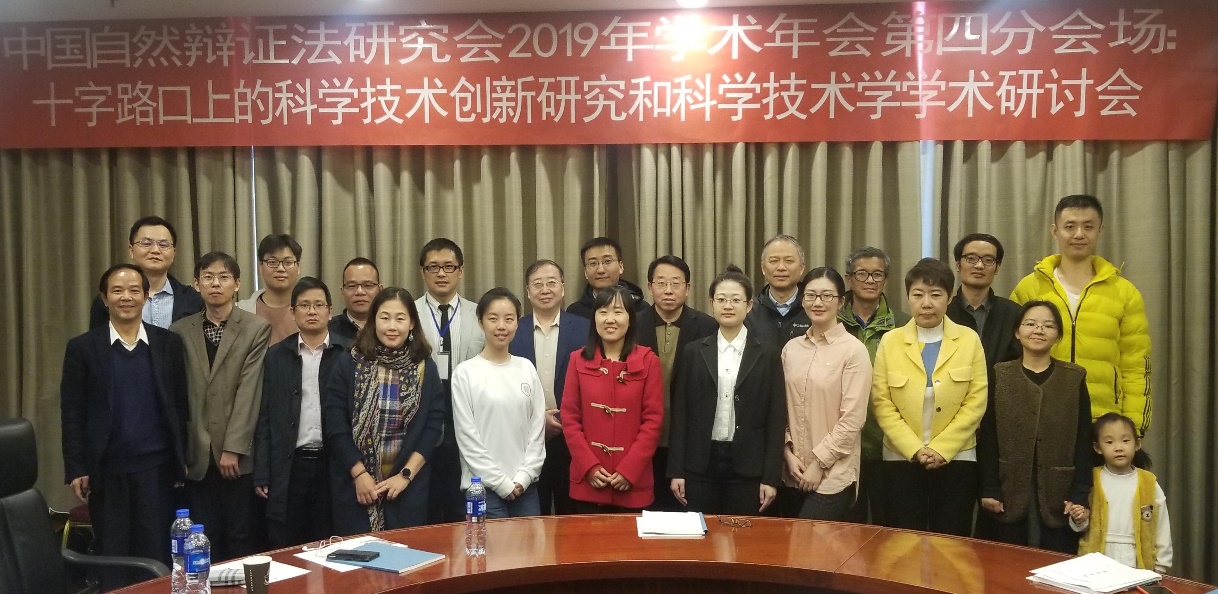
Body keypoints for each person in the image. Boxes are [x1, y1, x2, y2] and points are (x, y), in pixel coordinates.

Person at [62, 264, 189, 589]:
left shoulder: (168, 343)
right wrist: (76, 467)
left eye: (134, 290)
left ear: (146, 296)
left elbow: (180, 406)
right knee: (113, 557)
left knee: (156, 558)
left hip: (157, 471)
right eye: (117, 291)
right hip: (108, 473)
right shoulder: (83, 348)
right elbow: (72, 411)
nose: (126, 297)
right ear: (105, 298)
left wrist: (182, 460)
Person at [1011, 195, 1152, 436]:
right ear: (1055, 231)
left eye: (1088, 226)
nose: (1079, 234)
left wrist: (1133, 426)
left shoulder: (1124, 292)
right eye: (1070, 226)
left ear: (1100, 231)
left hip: (1104, 422)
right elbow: (1012, 357)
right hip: (1040, 417)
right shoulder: (1030, 287)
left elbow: (1136, 365)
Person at [871, 258, 987, 537]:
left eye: (935, 295)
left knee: (951, 541)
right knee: (902, 541)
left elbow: (976, 401)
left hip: (957, 456)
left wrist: (941, 449)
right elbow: (881, 402)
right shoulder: (891, 341)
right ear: (908, 298)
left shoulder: (969, 339)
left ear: (949, 298)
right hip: (900, 456)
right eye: (918, 295)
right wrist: (914, 448)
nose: (926, 303)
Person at [171, 252, 272, 562]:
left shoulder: (256, 327)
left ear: (237, 284)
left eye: (224, 277)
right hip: (197, 453)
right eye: (208, 277)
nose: (216, 284)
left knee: (241, 535)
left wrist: (234, 447)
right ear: (196, 284)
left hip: (237, 456)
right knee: (202, 536)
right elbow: (179, 394)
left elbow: (249, 390)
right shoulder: (180, 330)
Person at [324, 288, 446, 534]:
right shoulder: (349, 362)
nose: (392, 326)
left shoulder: (426, 367)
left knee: (406, 554)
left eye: (400, 319)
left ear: (411, 323)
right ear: (373, 320)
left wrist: (406, 475)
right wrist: (359, 474)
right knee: (358, 556)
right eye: (384, 317)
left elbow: (433, 427)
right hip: (356, 486)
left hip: (407, 487)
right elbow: (335, 425)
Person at [976, 300, 1092, 553]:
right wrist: (989, 487)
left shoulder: (1074, 377)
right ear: (1017, 332)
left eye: (1048, 325)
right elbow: (987, 436)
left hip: (1058, 494)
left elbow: (1083, 440)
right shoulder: (999, 374)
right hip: (1008, 490)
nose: (1039, 330)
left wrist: (1080, 493)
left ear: (1058, 335)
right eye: (1030, 324)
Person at [668, 265, 785, 516]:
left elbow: (776, 418)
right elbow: (680, 413)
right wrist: (676, 470)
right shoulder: (693, 351)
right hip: (700, 462)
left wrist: (771, 477)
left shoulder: (768, 354)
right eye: (721, 299)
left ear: (749, 305)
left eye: (735, 300)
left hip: (748, 464)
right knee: (701, 533)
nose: (728, 306)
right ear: (711, 303)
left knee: (743, 534)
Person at [253, 277, 347, 548]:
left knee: (329, 543)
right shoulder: (276, 356)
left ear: (330, 311)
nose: (312, 311)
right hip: (290, 465)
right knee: (287, 544)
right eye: (304, 305)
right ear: (292, 312)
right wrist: (262, 471)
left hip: (333, 465)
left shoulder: (347, 353)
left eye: (319, 305)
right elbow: (265, 417)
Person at [781, 267, 872, 520]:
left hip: (833, 474)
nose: (818, 302)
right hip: (792, 472)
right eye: (811, 295)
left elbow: (853, 419)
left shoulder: (854, 351)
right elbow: (781, 408)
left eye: (827, 296)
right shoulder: (791, 349)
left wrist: (819, 464)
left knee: (807, 540)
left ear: (841, 302)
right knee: (788, 543)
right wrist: (786, 454)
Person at [562, 285, 663, 512]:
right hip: (588, 482)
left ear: (630, 319)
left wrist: (630, 470)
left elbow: (653, 421)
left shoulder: (649, 361)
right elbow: (569, 419)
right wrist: (589, 467)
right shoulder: (577, 360)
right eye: (603, 312)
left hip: (633, 483)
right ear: (594, 319)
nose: (610, 319)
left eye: (618, 312)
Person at [452, 288, 547, 518]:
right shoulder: (465, 373)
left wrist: (524, 476)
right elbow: (467, 438)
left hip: (525, 487)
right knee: (490, 543)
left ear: (518, 323)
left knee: (531, 543)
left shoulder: (526, 368)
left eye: (509, 319)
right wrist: (501, 482)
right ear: (480, 322)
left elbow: (537, 429)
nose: (501, 326)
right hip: (483, 489)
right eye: (493, 319)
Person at [508, 259, 590, 515]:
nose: (545, 289)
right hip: (526, 439)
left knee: (571, 513)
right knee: (533, 513)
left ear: (563, 288)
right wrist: (537, 420)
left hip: (574, 435)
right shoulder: (513, 330)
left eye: (551, 283)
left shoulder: (585, 328)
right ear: (527, 291)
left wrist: (564, 418)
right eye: (537, 284)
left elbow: (592, 382)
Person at [636, 255, 717, 511]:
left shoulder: (708, 326)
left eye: (675, 283)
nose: (668, 290)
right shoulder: (632, 324)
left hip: (690, 439)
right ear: (650, 287)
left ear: (688, 288)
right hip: (642, 437)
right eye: (661, 283)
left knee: (687, 515)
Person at [413, 237, 485, 523]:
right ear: (422, 272)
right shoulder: (408, 314)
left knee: (462, 504)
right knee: (425, 505)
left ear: (461, 271)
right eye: (433, 267)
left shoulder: (481, 314)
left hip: (468, 419)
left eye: (448, 266)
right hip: (421, 417)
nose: (441, 273)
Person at [838, 246, 910, 526]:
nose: (870, 280)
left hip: (888, 441)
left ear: (886, 280)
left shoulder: (903, 324)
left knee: (888, 525)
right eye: (862, 274)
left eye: (877, 274)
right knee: (846, 526)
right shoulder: (833, 321)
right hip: (842, 442)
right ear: (848, 278)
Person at [1070, 413, 1172, 573]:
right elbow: (1082, 525)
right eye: (1109, 442)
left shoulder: (1149, 482)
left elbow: (1161, 526)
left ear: (1137, 444)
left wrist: (1161, 566)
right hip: (1095, 562)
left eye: (1125, 440)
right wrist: (1078, 519)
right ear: (1097, 448)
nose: (1119, 447)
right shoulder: (1091, 479)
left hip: (1137, 562)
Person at [88, 216, 203, 329]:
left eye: (163, 244)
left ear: (173, 253)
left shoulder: (192, 299)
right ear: (131, 250)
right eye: (147, 243)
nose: (155, 250)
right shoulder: (110, 299)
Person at [946, 234, 1021, 372]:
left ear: (997, 268)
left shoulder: (1014, 313)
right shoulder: (943, 311)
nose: (979, 265)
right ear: (958, 265)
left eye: (988, 260)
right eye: (971, 258)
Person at [745, 234, 810, 348]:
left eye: (789, 261)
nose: (781, 267)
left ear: (802, 267)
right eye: (774, 261)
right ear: (763, 268)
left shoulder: (813, 308)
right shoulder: (749, 311)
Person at [238, 233, 303, 345]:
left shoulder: (311, 311)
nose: (281, 268)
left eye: (288, 262)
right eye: (272, 262)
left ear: (298, 268)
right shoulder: (241, 312)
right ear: (261, 267)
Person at [567, 236, 648, 318]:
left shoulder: (641, 309)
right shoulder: (575, 313)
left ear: (620, 267)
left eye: (607, 261)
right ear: (585, 272)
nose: (600, 270)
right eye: (593, 263)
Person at [329, 257, 382, 345]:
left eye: (367, 285)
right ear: (343, 291)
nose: (359, 292)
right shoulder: (328, 330)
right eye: (352, 286)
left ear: (380, 290)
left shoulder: (391, 329)